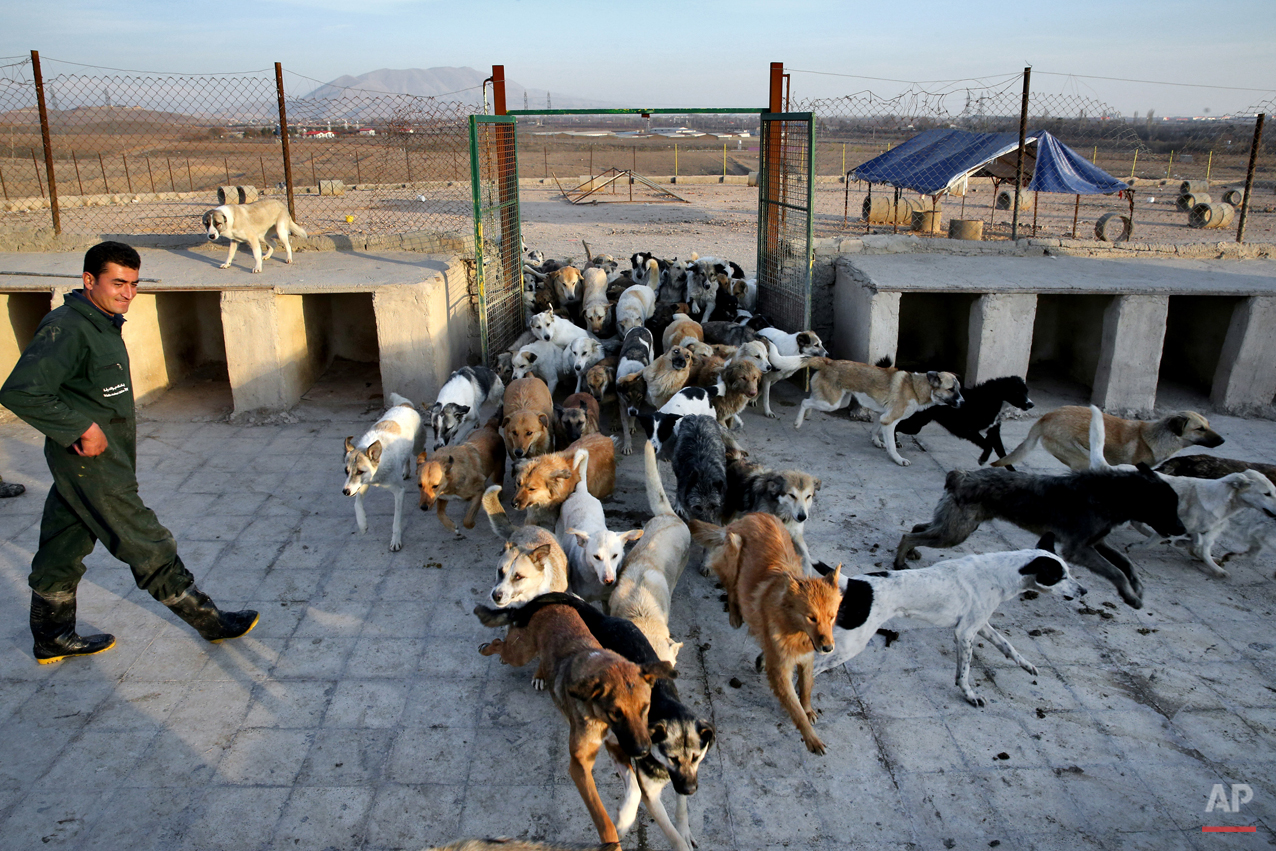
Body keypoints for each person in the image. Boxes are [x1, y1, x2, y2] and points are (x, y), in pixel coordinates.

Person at [0, 241, 258, 664]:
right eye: (118, 282)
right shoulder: (68, 327)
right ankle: (210, 622)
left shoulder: (102, 322)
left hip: (103, 458)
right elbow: (21, 391)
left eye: (134, 284)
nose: (128, 293)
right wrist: (79, 427)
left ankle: (52, 636)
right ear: (88, 280)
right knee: (146, 541)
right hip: (90, 463)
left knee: (63, 547)